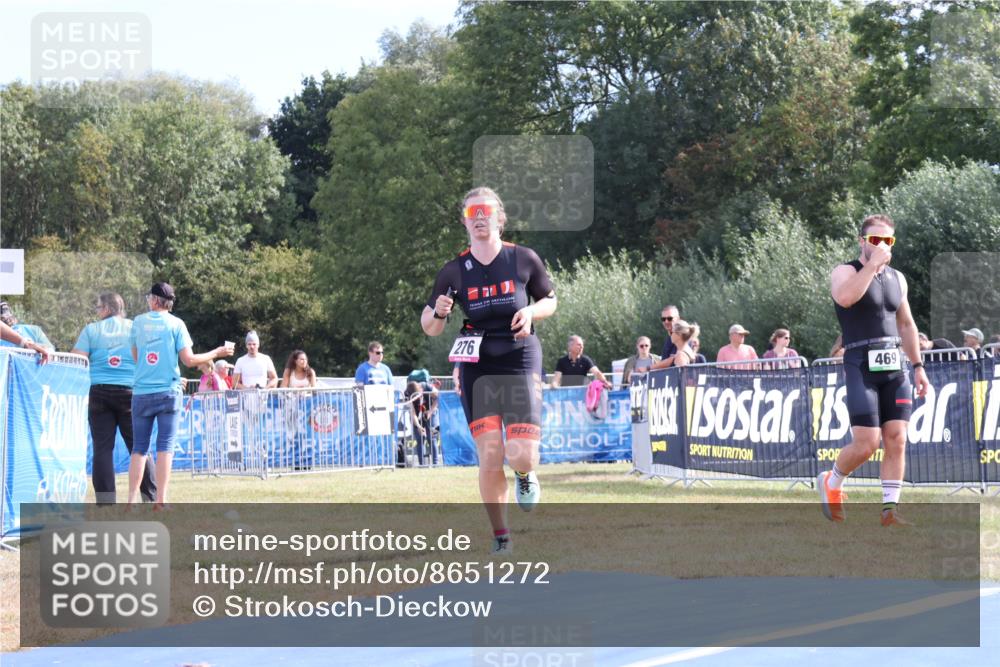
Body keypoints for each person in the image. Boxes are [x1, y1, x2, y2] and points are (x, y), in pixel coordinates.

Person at [421, 186, 557, 554]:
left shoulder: (523, 258)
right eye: (471, 213)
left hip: (519, 356)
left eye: (486, 211)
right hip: (477, 364)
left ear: (499, 217)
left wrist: (530, 312)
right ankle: (501, 537)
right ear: (464, 222)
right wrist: (439, 312)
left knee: (521, 454)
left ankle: (526, 474)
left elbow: (550, 298)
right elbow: (429, 326)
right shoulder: (454, 270)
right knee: (491, 454)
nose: (479, 218)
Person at [819, 214, 929, 527]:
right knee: (867, 443)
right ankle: (833, 480)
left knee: (897, 438)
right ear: (862, 241)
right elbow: (845, 297)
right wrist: (870, 266)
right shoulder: (845, 271)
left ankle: (889, 511)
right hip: (860, 360)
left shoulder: (898, 278)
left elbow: (906, 324)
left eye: (888, 240)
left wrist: (918, 366)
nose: (882, 245)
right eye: (875, 240)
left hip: (895, 363)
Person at [127, 282, 233, 509]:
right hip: (168, 391)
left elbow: (136, 356)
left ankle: (130, 502)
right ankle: (161, 500)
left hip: (142, 391)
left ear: (155, 300)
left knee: (139, 448)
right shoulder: (177, 324)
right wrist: (217, 352)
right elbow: (189, 360)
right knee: (165, 446)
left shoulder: (138, 322)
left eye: (149, 297)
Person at [70, 292, 154, 505]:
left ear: (107, 308)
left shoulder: (91, 330)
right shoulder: (135, 327)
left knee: (102, 448)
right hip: (131, 392)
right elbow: (150, 358)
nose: (97, 311)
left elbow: (76, 359)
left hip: (98, 392)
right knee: (139, 446)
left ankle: (106, 502)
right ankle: (151, 498)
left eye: (98, 307)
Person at [405, 379, 439, 465]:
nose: (418, 398)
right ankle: (422, 464)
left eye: (419, 395)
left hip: (430, 411)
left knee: (432, 437)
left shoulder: (427, 387)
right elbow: (412, 414)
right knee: (419, 439)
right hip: (417, 415)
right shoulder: (407, 394)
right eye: (415, 397)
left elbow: (437, 398)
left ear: (421, 389)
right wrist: (419, 426)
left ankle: (436, 463)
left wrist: (430, 412)